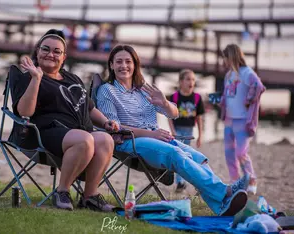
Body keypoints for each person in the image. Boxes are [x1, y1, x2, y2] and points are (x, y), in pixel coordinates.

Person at [96, 44, 250, 216]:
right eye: (119, 62)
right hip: (128, 141)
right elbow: (114, 127)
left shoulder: (143, 90)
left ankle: (221, 206)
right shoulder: (107, 91)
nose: (124, 66)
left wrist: (164, 103)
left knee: (199, 158)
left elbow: (174, 114)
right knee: (175, 154)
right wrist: (152, 134)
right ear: (111, 65)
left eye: (128, 61)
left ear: (135, 65)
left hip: (155, 138)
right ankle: (225, 192)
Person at [11, 29, 119, 212]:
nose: (50, 54)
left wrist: (106, 122)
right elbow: (24, 112)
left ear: (64, 57)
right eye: (45, 49)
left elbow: (89, 107)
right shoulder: (28, 77)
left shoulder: (72, 78)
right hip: (42, 133)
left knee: (106, 140)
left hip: (79, 133)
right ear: (37, 51)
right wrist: (37, 79)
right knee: (85, 140)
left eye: (56, 51)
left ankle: (90, 196)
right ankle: (62, 191)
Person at [220, 44, 266, 195]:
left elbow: (258, 86)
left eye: (225, 57)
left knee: (241, 153)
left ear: (231, 56)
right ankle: (235, 181)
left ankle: (251, 179)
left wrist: (249, 98)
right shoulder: (229, 75)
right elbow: (228, 96)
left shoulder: (246, 72)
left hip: (242, 120)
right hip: (229, 119)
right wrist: (221, 101)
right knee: (229, 154)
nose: (224, 61)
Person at [167, 69, 205, 193]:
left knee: (187, 157)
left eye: (193, 79)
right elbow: (169, 116)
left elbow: (199, 118)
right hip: (177, 131)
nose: (191, 82)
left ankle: (187, 182)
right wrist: (173, 131)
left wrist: (200, 135)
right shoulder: (175, 97)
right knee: (179, 155)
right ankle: (179, 182)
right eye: (188, 79)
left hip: (189, 132)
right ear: (181, 82)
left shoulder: (197, 98)